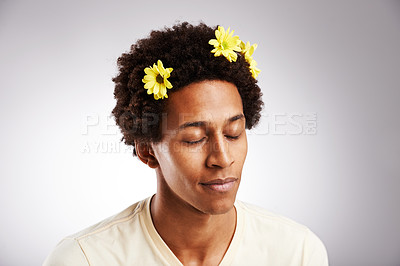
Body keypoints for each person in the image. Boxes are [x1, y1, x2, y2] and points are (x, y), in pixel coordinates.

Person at [43, 22, 328, 265]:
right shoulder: (85, 258)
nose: (222, 157)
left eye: (233, 133)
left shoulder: (297, 252)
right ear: (147, 150)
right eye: (195, 139)